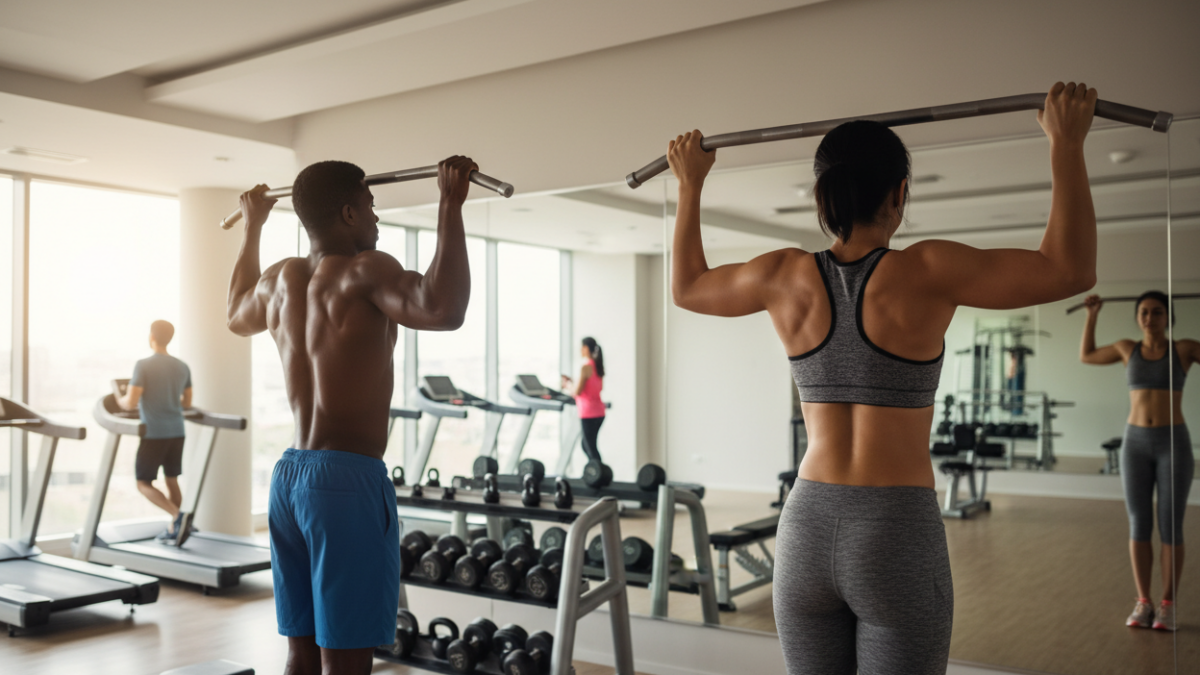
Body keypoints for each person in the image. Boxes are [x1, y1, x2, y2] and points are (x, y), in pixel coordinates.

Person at [666, 82, 1098, 674]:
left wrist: (690, 184)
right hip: (896, 527)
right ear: (900, 193)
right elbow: (1068, 270)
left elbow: (688, 285)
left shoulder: (783, 275)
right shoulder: (926, 271)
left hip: (807, 521)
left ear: (823, 197)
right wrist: (1066, 144)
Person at [227, 157, 476, 675]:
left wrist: (252, 229)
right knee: (346, 657)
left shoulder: (279, 279)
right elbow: (443, 308)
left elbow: (234, 315)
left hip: (290, 479)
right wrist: (450, 205)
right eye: (370, 206)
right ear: (347, 213)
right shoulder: (367, 269)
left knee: (302, 648)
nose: (375, 217)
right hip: (345, 482)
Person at [1080, 290, 1197, 631]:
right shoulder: (1125, 348)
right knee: (1138, 524)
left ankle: (1168, 606)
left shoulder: (1184, 349)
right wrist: (1092, 315)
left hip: (1172, 443)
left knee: (1171, 526)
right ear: (1137, 318)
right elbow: (1086, 355)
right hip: (1135, 445)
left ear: (1168, 317)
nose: (1150, 318)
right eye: (1144, 312)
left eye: (1157, 312)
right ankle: (1143, 603)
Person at [117, 319, 193, 545]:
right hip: (177, 430)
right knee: (172, 479)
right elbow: (187, 403)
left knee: (143, 483)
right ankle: (177, 527)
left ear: (151, 337)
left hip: (154, 433)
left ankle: (178, 516)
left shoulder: (143, 365)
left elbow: (130, 402)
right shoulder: (182, 366)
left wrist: (119, 400)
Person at [561, 337, 606, 463]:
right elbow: (593, 388)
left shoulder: (585, 367)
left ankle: (599, 474)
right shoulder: (597, 366)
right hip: (599, 412)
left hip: (588, 412)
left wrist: (567, 385)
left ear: (586, 348)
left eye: (581, 347)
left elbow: (577, 391)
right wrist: (572, 383)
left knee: (589, 446)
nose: (580, 350)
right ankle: (597, 472)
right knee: (587, 445)